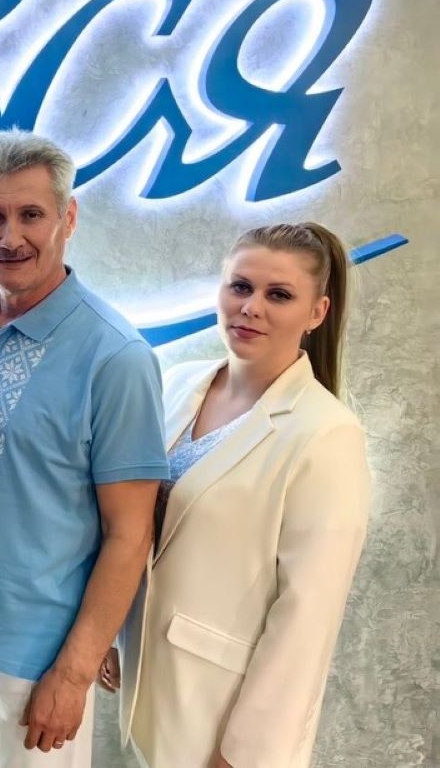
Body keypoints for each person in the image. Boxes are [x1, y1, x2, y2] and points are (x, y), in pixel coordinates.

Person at [0, 130, 169, 767]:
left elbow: (130, 534)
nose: (10, 238)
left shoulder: (117, 356)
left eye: (31, 214)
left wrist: (74, 672)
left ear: (68, 218)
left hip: (41, 656)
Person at [101, 222, 371, 768]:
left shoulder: (327, 433)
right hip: (145, 688)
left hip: (221, 713)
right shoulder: (178, 383)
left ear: (317, 312)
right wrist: (106, 627)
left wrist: (245, 752)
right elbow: (135, 526)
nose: (251, 307)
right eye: (240, 287)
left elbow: (307, 616)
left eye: (279, 295)